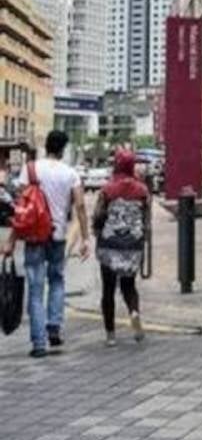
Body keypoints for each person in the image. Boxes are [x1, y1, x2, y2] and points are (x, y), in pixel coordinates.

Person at [1, 131, 90, 358]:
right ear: (62, 149)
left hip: (33, 236)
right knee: (57, 280)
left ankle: (38, 343)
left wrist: (11, 241)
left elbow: (22, 210)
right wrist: (86, 238)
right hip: (58, 235)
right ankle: (54, 327)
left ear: (46, 146)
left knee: (36, 287)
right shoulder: (70, 173)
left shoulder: (30, 169)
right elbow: (80, 206)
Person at [91, 150, 149, 347]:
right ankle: (134, 312)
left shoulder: (108, 189)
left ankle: (110, 335)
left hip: (110, 245)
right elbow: (146, 220)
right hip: (133, 244)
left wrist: (96, 231)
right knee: (129, 286)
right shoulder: (142, 190)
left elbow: (99, 216)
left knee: (108, 289)